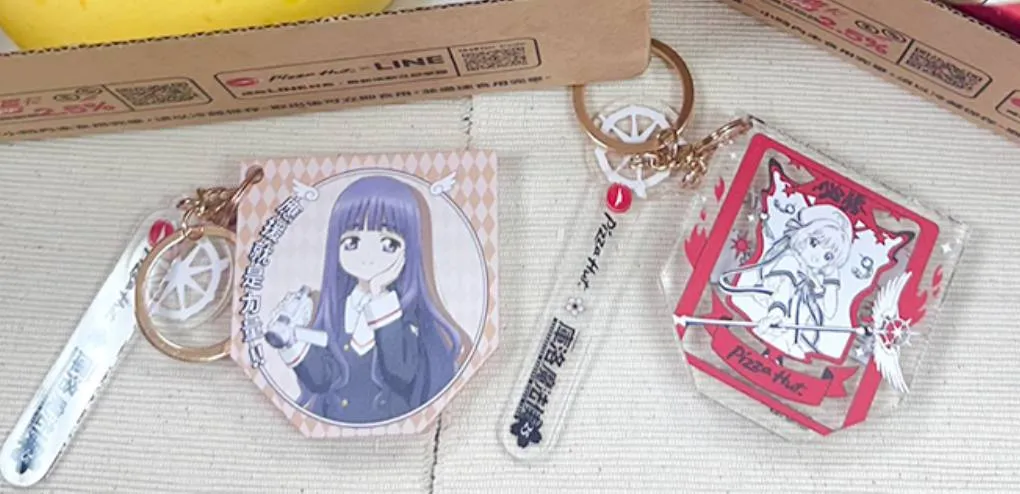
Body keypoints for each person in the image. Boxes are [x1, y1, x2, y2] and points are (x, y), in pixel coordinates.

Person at [265, 175, 469, 423]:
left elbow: (400, 374)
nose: (368, 257)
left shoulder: (409, 315)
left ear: (410, 249)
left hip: (393, 426)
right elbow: (322, 380)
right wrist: (289, 340)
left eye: (388, 244)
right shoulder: (337, 310)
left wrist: (379, 293)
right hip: (336, 423)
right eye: (352, 242)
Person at [720, 204, 853, 361]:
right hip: (772, 316)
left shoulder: (812, 280)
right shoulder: (790, 260)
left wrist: (832, 280)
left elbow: (829, 312)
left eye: (828, 256)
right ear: (803, 235)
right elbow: (784, 287)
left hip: (790, 334)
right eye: (814, 243)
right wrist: (776, 313)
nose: (817, 256)